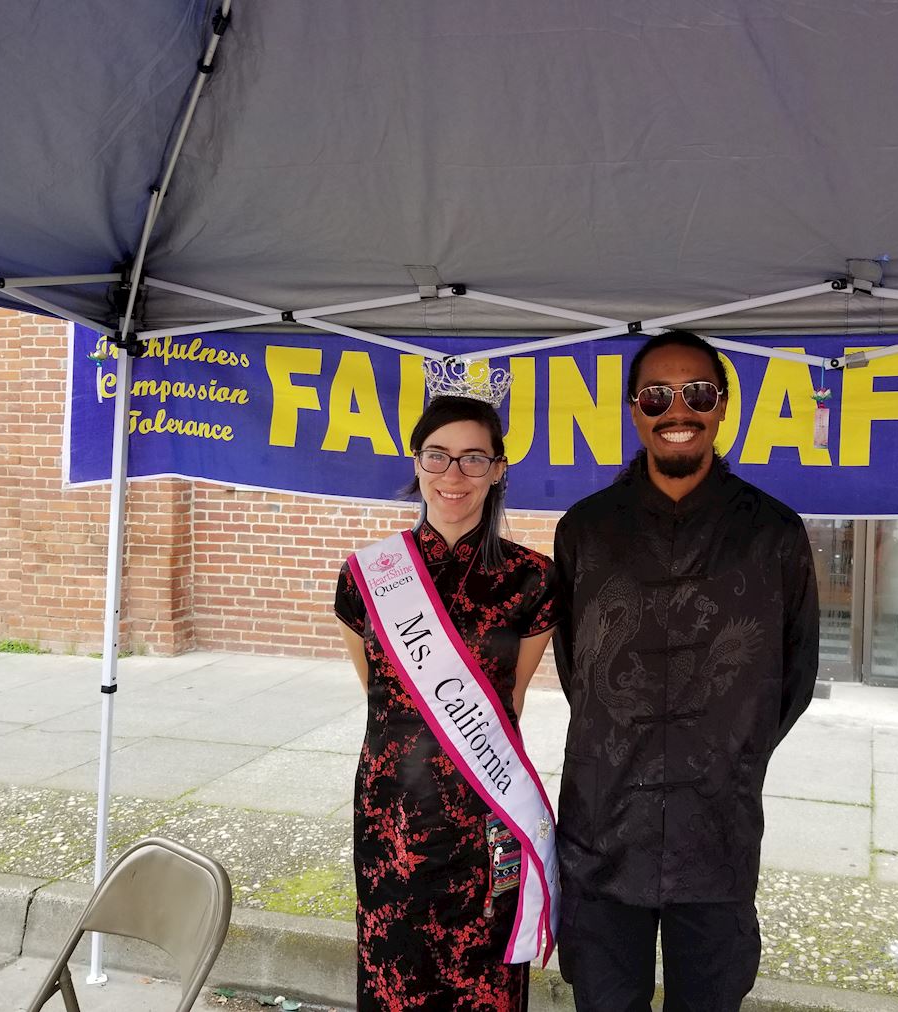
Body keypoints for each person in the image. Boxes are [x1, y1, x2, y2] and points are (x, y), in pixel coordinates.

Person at [552, 330, 820, 1011]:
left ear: (722, 405)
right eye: (657, 396)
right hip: (604, 828)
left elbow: (793, 675)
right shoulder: (585, 530)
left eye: (697, 393)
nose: (678, 410)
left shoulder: (774, 533)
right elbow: (576, 667)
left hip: (717, 830)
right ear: (634, 411)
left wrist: (729, 752)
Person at [334, 387, 560, 1012]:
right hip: (393, 812)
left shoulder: (533, 578)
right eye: (437, 456)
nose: (453, 475)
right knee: (394, 972)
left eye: (473, 458)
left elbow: (510, 699)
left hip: (488, 807)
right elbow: (380, 695)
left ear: (498, 470)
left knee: (486, 979)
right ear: (417, 463)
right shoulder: (367, 575)